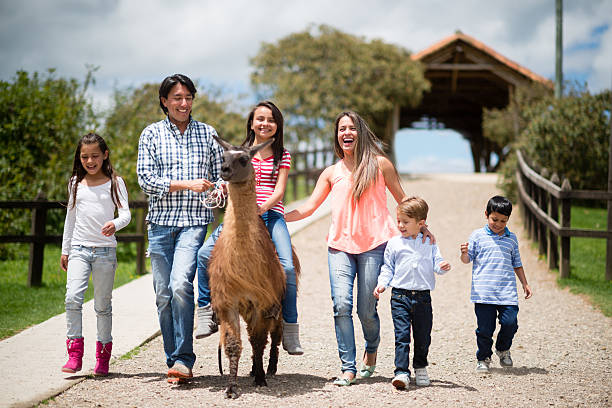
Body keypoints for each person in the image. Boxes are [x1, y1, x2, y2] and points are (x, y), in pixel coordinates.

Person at [285, 111, 432, 386]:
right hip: (339, 247)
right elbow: (308, 208)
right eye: (342, 129)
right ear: (337, 136)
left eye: (351, 128)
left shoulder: (380, 165)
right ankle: (348, 367)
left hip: (375, 245)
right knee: (341, 305)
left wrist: (422, 227)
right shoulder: (332, 173)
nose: (346, 133)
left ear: (360, 132)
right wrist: (277, 214)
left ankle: (372, 347)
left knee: (366, 309)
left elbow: (404, 200)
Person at [194, 101, 303, 355]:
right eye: (260, 119)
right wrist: (221, 187)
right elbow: (228, 176)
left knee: (286, 266)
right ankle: (206, 312)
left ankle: (289, 327)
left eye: (271, 120)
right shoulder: (237, 152)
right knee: (203, 255)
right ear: (251, 122)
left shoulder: (282, 154)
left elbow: (279, 190)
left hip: (270, 215)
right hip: (240, 216)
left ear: (278, 126)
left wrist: (263, 208)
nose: (265, 124)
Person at [137, 74, 224, 381]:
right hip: (160, 225)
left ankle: (184, 359)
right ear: (165, 101)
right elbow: (146, 181)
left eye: (188, 97)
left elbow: (220, 175)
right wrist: (187, 184)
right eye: (177, 98)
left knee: (179, 285)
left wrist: (219, 189)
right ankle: (173, 358)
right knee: (163, 294)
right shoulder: (150, 135)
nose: (184, 103)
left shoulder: (208, 133)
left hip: (193, 223)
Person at [60, 133, 131, 376]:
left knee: (102, 306)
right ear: (79, 158)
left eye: (94, 156)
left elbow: (126, 214)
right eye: (84, 157)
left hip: (105, 252)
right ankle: (74, 353)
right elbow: (70, 218)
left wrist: (115, 224)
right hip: (79, 249)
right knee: (72, 298)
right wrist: (65, 250)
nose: (90, 161)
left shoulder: (115, 182)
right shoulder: (75, 183)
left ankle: (102, 357)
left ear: (105, 155)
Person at [373, 197, 450, 390]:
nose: (400, 225)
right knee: (402, 336)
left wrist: (442, 267)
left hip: (423, 298)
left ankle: (421, 366)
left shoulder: (429, 243)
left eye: (405, 222)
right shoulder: (394, 244)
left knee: (423, 336)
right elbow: (387, 267)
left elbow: (436, 262)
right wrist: (382, 284)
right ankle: (401, 372)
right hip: (399, 296)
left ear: (421, 223)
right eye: (399, 221)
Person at [460, 195, 532, 374]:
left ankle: (502, 348)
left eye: (503, 220)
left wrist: (525, 283)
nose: (498, 224)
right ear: (486, 214)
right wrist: (463, 253)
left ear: (508, 219)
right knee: (485, 329)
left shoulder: (511, 238)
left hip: (507, 292)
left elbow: (517, 262)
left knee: (510, 323)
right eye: (494, 219)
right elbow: (467, 259)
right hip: (484, 293)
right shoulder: (477, 236)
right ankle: (483, 357)